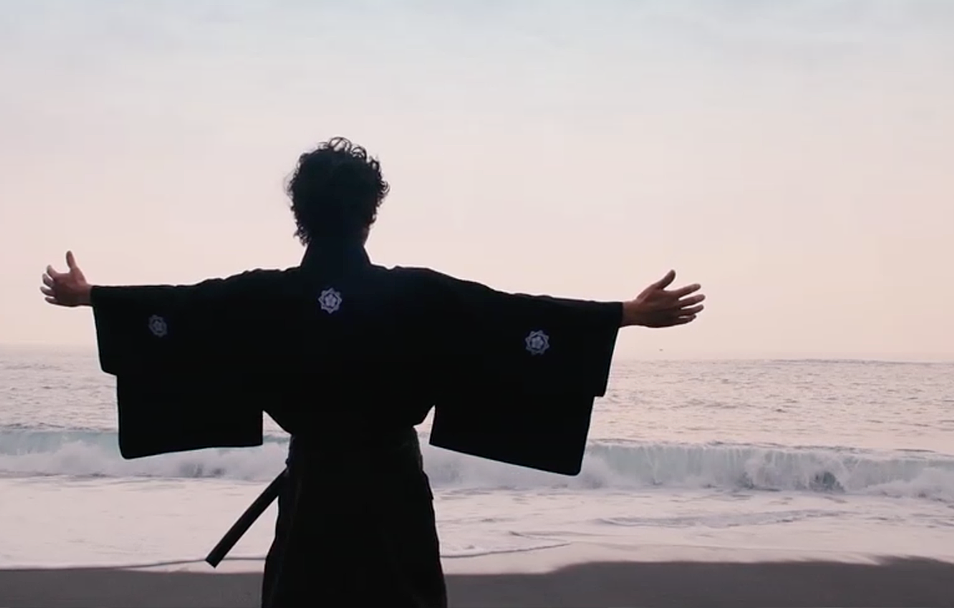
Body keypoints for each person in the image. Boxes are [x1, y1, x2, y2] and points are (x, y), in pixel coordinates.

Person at [41, 137, 704, 607]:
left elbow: (180, 311)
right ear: (370, 214)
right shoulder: (416, 295)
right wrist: (625, 314)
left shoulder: (262, 297)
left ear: (299, 216)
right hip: (392, 494)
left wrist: (89, 297)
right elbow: (509, 319)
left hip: (313, 494)